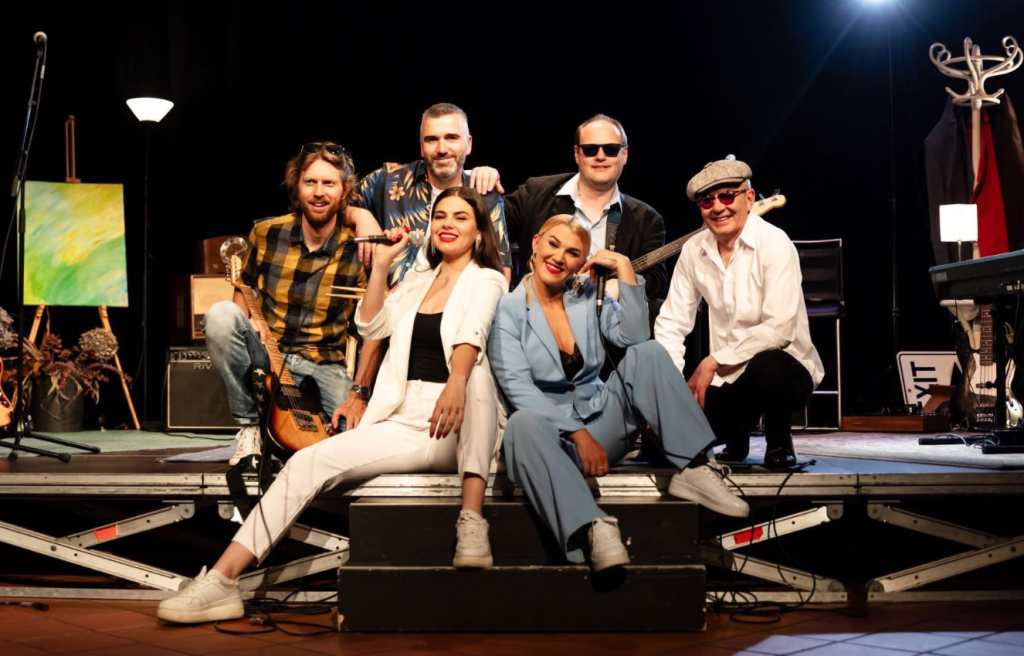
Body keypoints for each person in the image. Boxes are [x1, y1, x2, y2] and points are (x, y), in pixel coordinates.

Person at [158, 187, 509, 624]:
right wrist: (381, 266)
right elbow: (370, 325)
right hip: (406, 418)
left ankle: (472, 519)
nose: (448, 224)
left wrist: (455, 382)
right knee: (306, 462)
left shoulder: (487, 279)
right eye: (441, 216)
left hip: (460, 419)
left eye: (460, 217)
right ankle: (222, 581)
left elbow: (473, 330)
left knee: (476, 377)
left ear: (479, 232)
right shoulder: (420, 278)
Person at [487, 215, 749, 573]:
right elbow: (518, 387)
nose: (559, 257)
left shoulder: (587, 297)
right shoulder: (508, 309)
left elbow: (635, 339)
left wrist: (624, 269)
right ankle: (595, 527)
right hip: (550, 440)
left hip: (601, 424)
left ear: (583, 262)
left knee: (648, 353)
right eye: (553, 244)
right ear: (535, 243)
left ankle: (696, 466)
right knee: (521, 424)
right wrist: (578, 435)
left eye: (572, 253)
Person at [203, 142, 379, 465]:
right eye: (310, 182)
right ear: (297, 186)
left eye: (329, 183)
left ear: (344, 190)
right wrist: (247, 319)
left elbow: (376, 325)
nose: (319, 192)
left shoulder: (358, 247)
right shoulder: (266, 232)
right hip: (268, 354)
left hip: (324, 365)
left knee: (356, 445)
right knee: (220, 316)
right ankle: (249, 426)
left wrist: (359, 393)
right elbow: (245, 286)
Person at [654, 159, 824, 469]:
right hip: (729, 381)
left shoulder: (775, 242)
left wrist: (713, 361)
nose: (718, 207)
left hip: (785, 372)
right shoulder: (694, 250)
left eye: (727, 196)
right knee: (664, 444)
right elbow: (672, 322)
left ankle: (779, 437)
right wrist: (672, 387)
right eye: (707, 200)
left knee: (767, 366)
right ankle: (736, 436)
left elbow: (779, 329)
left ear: (749, 198)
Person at [503, 114, 667, 301]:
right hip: (537, 308)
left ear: (624, 154)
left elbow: (657, 281)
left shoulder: (647, 220)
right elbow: (488, 223)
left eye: (611, 149)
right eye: (590, 149)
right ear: (577, 154)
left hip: (607, 314)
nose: (600, 156)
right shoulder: (536, 193)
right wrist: (482, 186)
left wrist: (620, 284)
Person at [345, 102, 512, 284]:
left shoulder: (483, 194)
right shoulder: (389, 180)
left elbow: (500, 272)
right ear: (421, 147)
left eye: (451, 138)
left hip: (458, 299)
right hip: (389, 298)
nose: (442, 149)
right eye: (432, 139)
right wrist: (360, 216)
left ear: (468, 144)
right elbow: (331, 204)